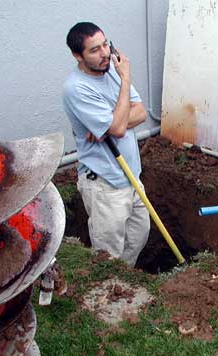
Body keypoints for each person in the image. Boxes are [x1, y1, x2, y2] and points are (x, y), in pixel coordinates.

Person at [63, 22, 149, 267]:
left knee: (138, 236)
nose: (104, 54)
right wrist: (125, 81)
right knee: (108, 256)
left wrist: (109, 122)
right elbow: (119, 128)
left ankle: (126, 285)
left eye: (105, 45)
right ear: (77, 55)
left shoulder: (111, 69)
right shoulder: (76, 89)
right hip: (105, 184)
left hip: (132, 176)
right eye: (94, 50)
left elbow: (141, 113)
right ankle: (109, 295)